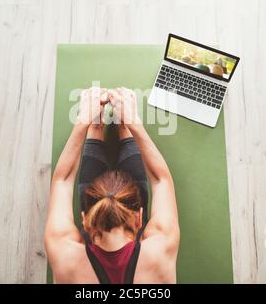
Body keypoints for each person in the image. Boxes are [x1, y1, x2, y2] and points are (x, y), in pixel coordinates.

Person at [45, 87, 180, 284]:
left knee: (96, 129)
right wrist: (132, 123)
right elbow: (161, 180)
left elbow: (62, 180)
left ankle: (98, 126)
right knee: (123, 197)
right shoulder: (158, 251)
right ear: (140, 218)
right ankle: (121, 126)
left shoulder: (66, 257)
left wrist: (86, 121)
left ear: (84, 219)